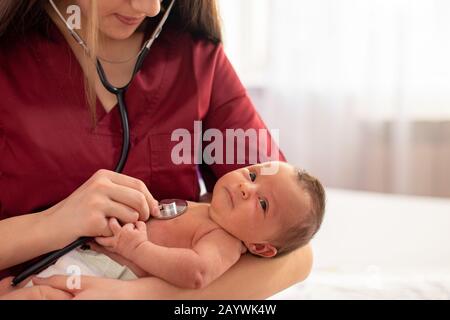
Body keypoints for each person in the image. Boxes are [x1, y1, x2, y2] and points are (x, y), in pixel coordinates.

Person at [0, 0, 314, 299]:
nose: (149, 8)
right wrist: (54, 222)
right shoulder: (10, 56)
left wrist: (133, 296)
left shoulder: (195, 58)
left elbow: (294, 253)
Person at [17, 162, 325, 291]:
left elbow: (196, 272)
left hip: (106, 276)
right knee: (20, 286)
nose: (247, 188)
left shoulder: (225, 241)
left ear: (260, 247)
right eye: (254, 176)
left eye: (263, 204)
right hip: (88, 256)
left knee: (41, 294)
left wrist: (136, 247)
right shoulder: (206, 208)